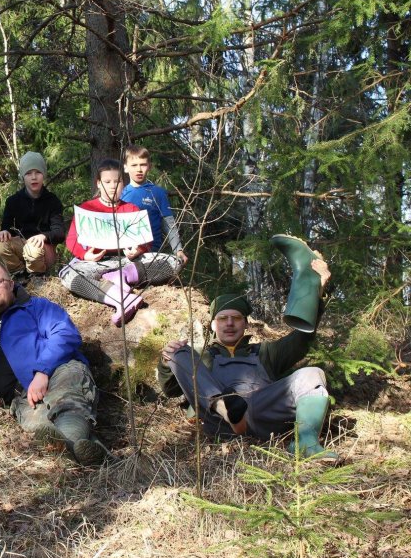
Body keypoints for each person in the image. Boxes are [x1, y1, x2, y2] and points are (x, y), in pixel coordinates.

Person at [157, 240, 337, 460]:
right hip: (219, 423)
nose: (229, 323)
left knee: (313, 374)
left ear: (246, 324)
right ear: (213, 325)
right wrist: (167, 360)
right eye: (223, 318)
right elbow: (170, 390)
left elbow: (302, 338)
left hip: (263, 418)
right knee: (179, 351)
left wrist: (315, 292)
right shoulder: (202, 355)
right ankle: (225, 407)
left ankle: (306, 444)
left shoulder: (265, 353)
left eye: (236, 318)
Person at [0, 261, 105, 465]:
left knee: (66, 403)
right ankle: (90, 450)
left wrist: (42, 372)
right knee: (42, 425)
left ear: (11, 284)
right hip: (20, 400)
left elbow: (65, 334)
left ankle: (73, 444)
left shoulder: (36, 306)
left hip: (58, 373)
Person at [58, 158, 178, 326]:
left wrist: (138, 250)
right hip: (97, 264)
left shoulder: (132, 209)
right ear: (99, 183)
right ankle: (121, 298)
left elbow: (146, 241)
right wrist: (86, 254)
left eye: (117, 181)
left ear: (123, 183)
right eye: (107, 181)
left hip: (130, 262)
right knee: (68, 274)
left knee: (173, 262)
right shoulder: (87, 208)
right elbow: (71, 240)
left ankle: (123, 276)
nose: (113, 186)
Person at [0, 151, 65, 277]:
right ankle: (20, 276)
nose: (34, 177)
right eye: (28, 173)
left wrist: (44, 236)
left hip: (44, 250)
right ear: (22, 177)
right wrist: (3, 232)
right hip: (20, 247)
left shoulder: (53, 201)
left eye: (38, 172)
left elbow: (59, 233)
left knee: (32, 249)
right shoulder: (12, 201)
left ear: (44, 175)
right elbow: (7, 228)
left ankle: (38, 278)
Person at [120, 144, 187, 272]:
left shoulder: (158, 193)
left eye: (143, 164)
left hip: (151, 253)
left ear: (149, 166)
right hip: (124, 253)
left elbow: (169, 224)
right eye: (134, 165)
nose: (139, 169)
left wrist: (178, 250)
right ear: (125, 168)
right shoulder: (120, 194)